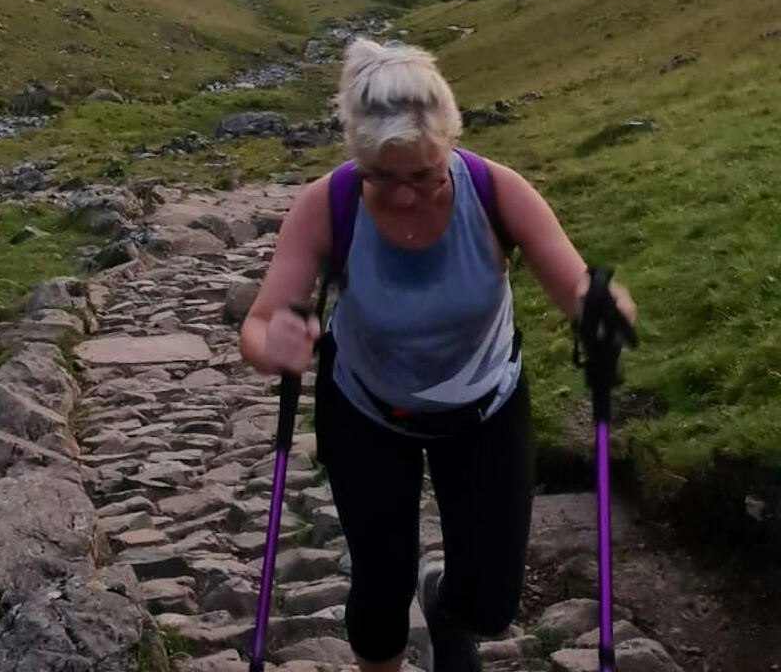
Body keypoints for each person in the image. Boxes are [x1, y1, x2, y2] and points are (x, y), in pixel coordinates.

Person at [238, 38, 636, 672]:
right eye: (381, 178)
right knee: (377, 591)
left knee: (490, 602)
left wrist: (600, 306)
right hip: (367, 410)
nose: (402, 196)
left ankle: (447, 611)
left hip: (485, 406)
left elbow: (574, 283)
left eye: (421, 176)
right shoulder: (327, 205)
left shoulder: (497, 192)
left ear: (451, 143)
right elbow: (258, 325)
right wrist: (273, 345)